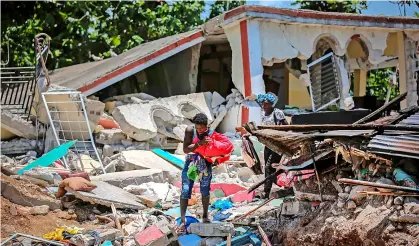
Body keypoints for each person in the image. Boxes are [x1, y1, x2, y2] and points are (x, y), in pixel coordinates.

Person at [176, 113, 233, 235]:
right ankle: (182, 220)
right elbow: (186, 149)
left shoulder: (211, 133)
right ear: (195, 126)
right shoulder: (190, 130)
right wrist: (199, 144)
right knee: (186, 190)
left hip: (205, 163)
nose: (201, 130)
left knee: (205, 190)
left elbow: (221, 147)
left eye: (203, 128)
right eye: (199, 128)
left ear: (207, 126)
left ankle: (205, 216)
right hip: (191, 162)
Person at [256, 92, 288, 199]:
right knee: (267, 167)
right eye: (262, 104)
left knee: (270, 166)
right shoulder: (263, 114)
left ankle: (267, 191)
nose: (264, 106)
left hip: (277, 144)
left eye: (266, 104)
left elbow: (286, 126)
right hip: (267, 144)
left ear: (271, 104)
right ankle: (277, 185)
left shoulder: (277, 113)